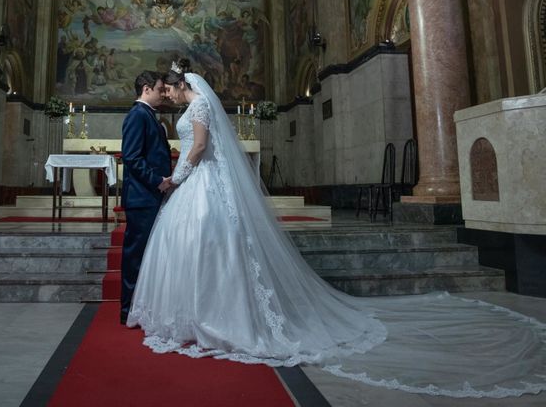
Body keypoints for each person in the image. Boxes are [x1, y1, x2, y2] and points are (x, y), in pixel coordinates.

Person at [127, 59, 546, 398]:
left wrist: (176, 179)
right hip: (201, 183)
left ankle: (215, 313)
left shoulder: (197, 105)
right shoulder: (194, 104)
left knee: (209, 242)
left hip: (199, 182)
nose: (168, 96)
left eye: (170, 89)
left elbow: (199, 147)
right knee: (206, 243)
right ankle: (202, 310)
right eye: (165, 91)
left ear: (182, 85)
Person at [120, 71, 172, 325]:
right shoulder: (137, 115)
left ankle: (142, 308)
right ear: (146, 89)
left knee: (147, 255)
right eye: (160, 89)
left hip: (149, 196)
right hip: (141, 197)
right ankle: (128, 309)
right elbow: (131, 158)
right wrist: (157, 181)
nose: (164, 93)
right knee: (135, 255)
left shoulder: (148, 115)